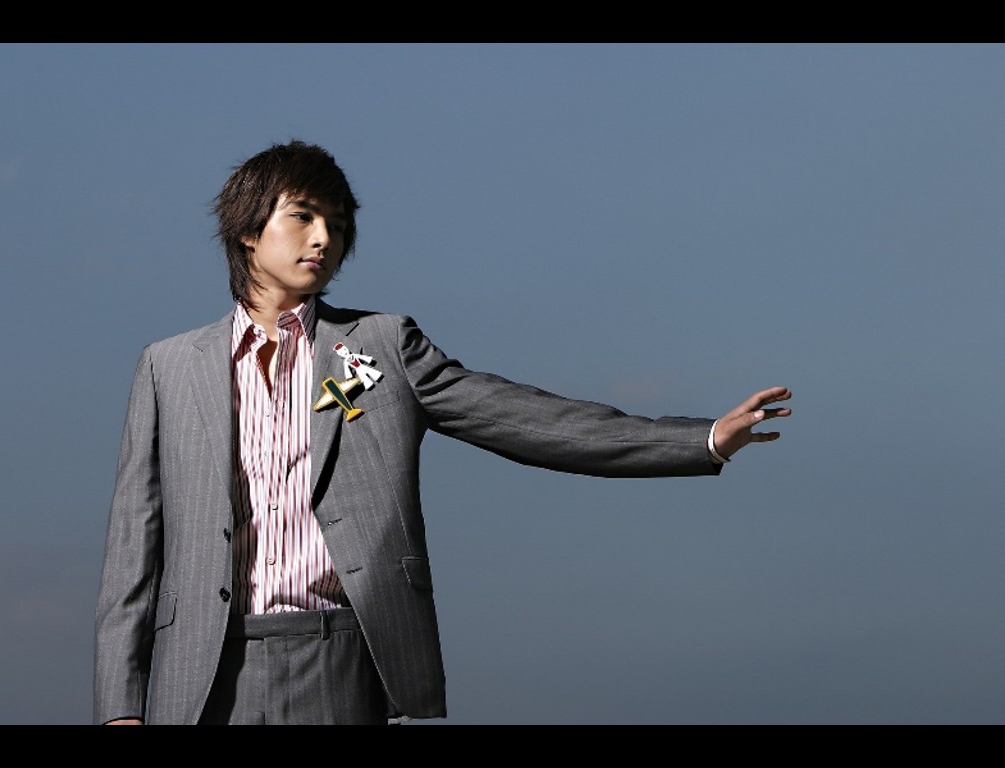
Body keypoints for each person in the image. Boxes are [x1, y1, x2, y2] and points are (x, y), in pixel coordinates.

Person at [93, 139, 792, 725]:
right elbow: (133, 551)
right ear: (249, 230)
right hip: (202, 674)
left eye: (338, 224)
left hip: (338, 657)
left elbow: (522, 418)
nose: (324, 238)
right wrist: (120, 708)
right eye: (303, 216)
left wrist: (700, 439)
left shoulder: (381, 346)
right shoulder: (168, 367)